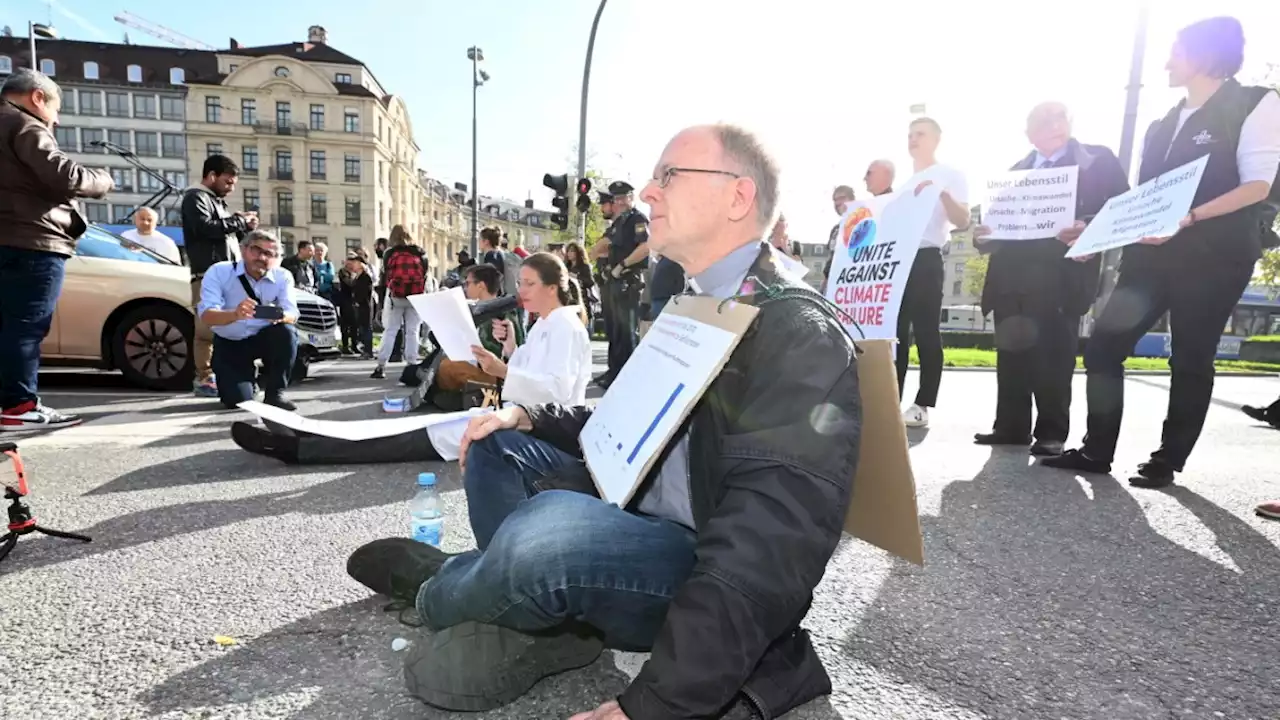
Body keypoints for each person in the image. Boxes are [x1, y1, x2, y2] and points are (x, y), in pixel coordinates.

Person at [344, 124, 860, 720]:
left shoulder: (795, 331)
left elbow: (768, 544)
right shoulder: (696, 304)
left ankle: (444, 589)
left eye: (669, 176)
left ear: (737, 198)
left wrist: (656, 703)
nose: (647, 191)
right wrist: (525, 414)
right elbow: (619, 419)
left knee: (550, 530)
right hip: (633, 508)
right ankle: (537, 612)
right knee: (498, 444)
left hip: (692, 567)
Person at [1046, 16, 1280, 488]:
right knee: (1105, 348)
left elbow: (1258, 185)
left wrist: (1190, 217)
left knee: (1190, 357)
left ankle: (1167, 459)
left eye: (1177, 50)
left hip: (1215, 255)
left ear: (1206, 54)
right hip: (1150, 256)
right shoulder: (1161, 124)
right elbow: (1141, 200)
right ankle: (1097, 450)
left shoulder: (1256, 103)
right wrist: (1094, 232)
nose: (1168, 61)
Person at [230, 252, 590, 465]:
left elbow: (558, 395)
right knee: (407, 430)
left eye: (528, 283)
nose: (520, 291)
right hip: (515, 418)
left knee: (410, 437)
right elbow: (531, 376)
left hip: (537, 431)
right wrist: (510, 348)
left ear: (552, 288)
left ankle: (298, 447)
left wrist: (500, 368)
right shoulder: (546, 324)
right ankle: (300, 433)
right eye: (521, 282)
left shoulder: (565, 326)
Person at [970, 102, 1130, 457]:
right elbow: (997, 229)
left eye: (1061, 118)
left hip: (1061, 276)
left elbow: (1123, 206)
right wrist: (982, 237)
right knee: (1011, 355)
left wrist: (1088, 227)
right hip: (1011, 276)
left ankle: (1051, 431)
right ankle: (1011, 426)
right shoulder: (1014, 172)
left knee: (1054, 356)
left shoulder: (1096, 160)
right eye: (1044, 120)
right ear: (1029, 133)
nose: (1054, 125)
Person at [0, 69, 114, 431]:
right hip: (31, 240)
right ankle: (18, 406)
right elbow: (64, 176)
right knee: (26, 327)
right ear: (37, 97)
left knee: (7, 326)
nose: (57, 119)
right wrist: (103, 179)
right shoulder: (23, 124)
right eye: (55, 109)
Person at [896, 117, 971, 428]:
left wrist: (941, 193)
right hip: (898, 260)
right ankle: (891, 399)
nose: (913, 139)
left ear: (936, 139)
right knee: (895, 334)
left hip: (926, 258)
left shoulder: (949, 175)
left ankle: (923, 404)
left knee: (926, 330)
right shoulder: (905, 183)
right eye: (910, 135)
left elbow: (963, 220)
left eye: (920, 134)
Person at [182, 154, 258, 399]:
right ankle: (204, 377)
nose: (231, 188)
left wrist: (244, 226)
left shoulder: (214, 201)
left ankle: (229, 374)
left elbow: (225, 234)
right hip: (207, 273)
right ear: (211, 176)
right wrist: (237, 221)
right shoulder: (195, 198)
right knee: (207, 329)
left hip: (228, 273)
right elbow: (205, 228)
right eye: (227, 182)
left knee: (234, 325)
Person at [196, 230, 298, 411]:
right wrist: (234, 314)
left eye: (269, 253)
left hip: (262, 337)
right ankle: (248, 381)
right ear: (243, 250)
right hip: (230, 342)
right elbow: (206, 315)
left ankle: (275, 394)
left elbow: (292, 313)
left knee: (287, 332)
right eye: (256, 250)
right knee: (238, 401)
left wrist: (280, 316)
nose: (262, 257)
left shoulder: (283, 276)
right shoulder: (219, 271)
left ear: (277, 258)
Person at [600, 180, 650, 387]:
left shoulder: (637, 219)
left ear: (631, 198)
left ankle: (627, 378)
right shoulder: (619, 223)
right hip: (615, 281)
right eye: (615, 199)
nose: (618, 203)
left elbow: (646, 246)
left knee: (627, 332)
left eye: (622, 198)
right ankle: (613, 372)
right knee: (614, 330)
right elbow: (604, 247)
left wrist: (623, 264)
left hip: (628, 280)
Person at [372, 225, 432, 380]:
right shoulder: (420, 253)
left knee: (391, 330)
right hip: (415, 298)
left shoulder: (389, 253)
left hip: (395, 296)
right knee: (412, 331)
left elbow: (385, 276)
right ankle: (411, 364)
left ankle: (381, 365)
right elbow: (425, 276)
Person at [336, 252, 374, 357]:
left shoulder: (364, 276)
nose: (353, 265)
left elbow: (363, 291)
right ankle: (351, 346)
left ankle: (367, 350)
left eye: (355, 262)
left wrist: (357, 300)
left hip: (364, 305)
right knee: (357, 326)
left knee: (364, 328)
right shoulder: (351, 274)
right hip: (353, 303)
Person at [821, 185, 857, 293]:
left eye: (842, 198)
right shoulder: (836, 230)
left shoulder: (862, 223)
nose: (837, 203)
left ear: (852, 200)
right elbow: (831, 259)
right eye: (835, 200)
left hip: (852, 283)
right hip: (834, 284)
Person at [563, 242, 596, 323]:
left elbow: (590, 282)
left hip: (582, 299)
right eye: (568, 251)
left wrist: (576, 277)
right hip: (569, 300)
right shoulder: (566, 267)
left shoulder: (585, 267)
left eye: (572, 251)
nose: (569, 254)